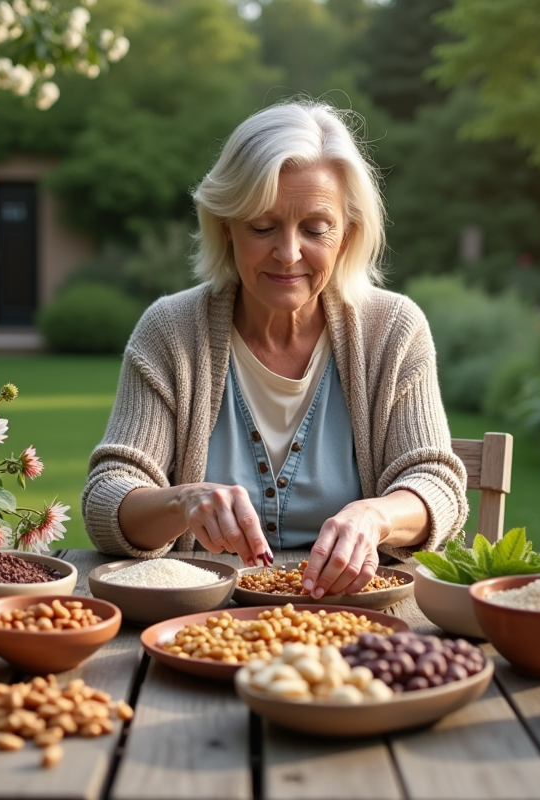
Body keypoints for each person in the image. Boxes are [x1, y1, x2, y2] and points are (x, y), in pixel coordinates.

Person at [82, 100, 467, 598]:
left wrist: (375, 516)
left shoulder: (394, 330)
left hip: (355, 616)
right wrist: (183, 502)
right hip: (201, 617)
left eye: (315, 228)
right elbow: (107, 495)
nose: (288, 254)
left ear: (347, 235)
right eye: (262, 227)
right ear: (227, 228)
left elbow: (435, 482)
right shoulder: (171, 331)